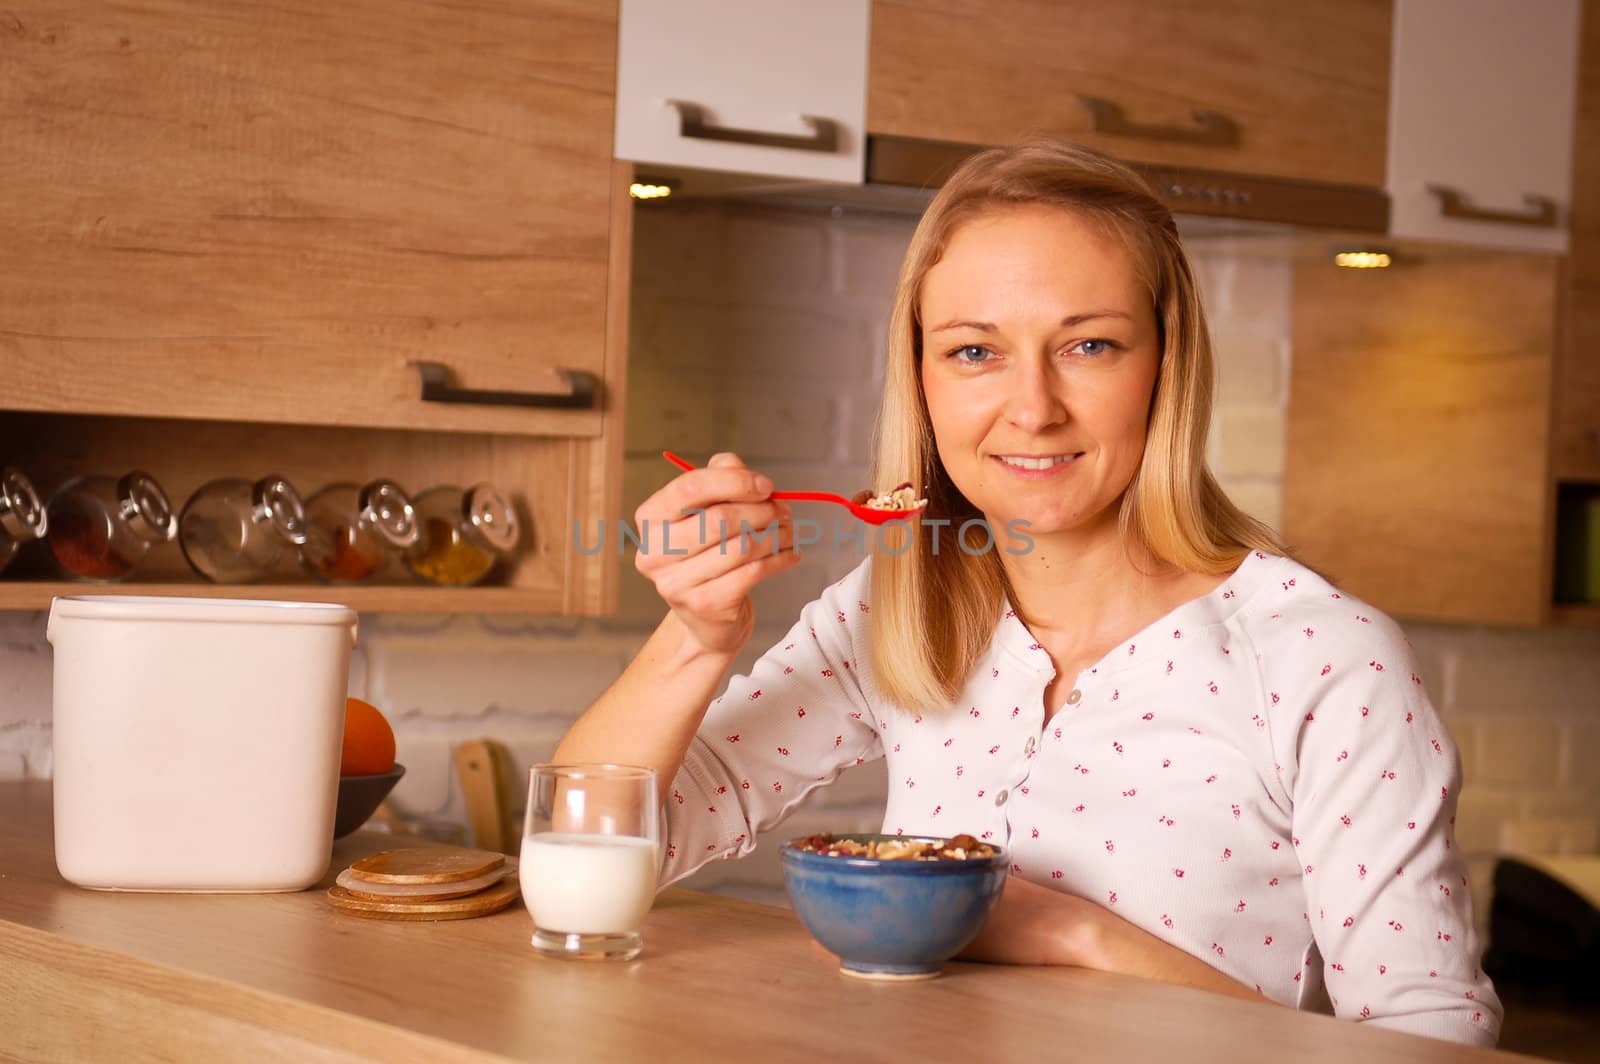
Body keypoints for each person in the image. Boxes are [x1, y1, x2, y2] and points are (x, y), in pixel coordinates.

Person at [553, 141, 1501, 1046]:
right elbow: (592, 846)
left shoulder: (1321, 656)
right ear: (921, 378)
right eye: (974, 352)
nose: (1034, 407)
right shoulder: (899, 607)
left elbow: (1434, 1047)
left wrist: (1070, 934)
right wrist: (694, 635)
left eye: (1089, 346)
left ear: (1166, 367)